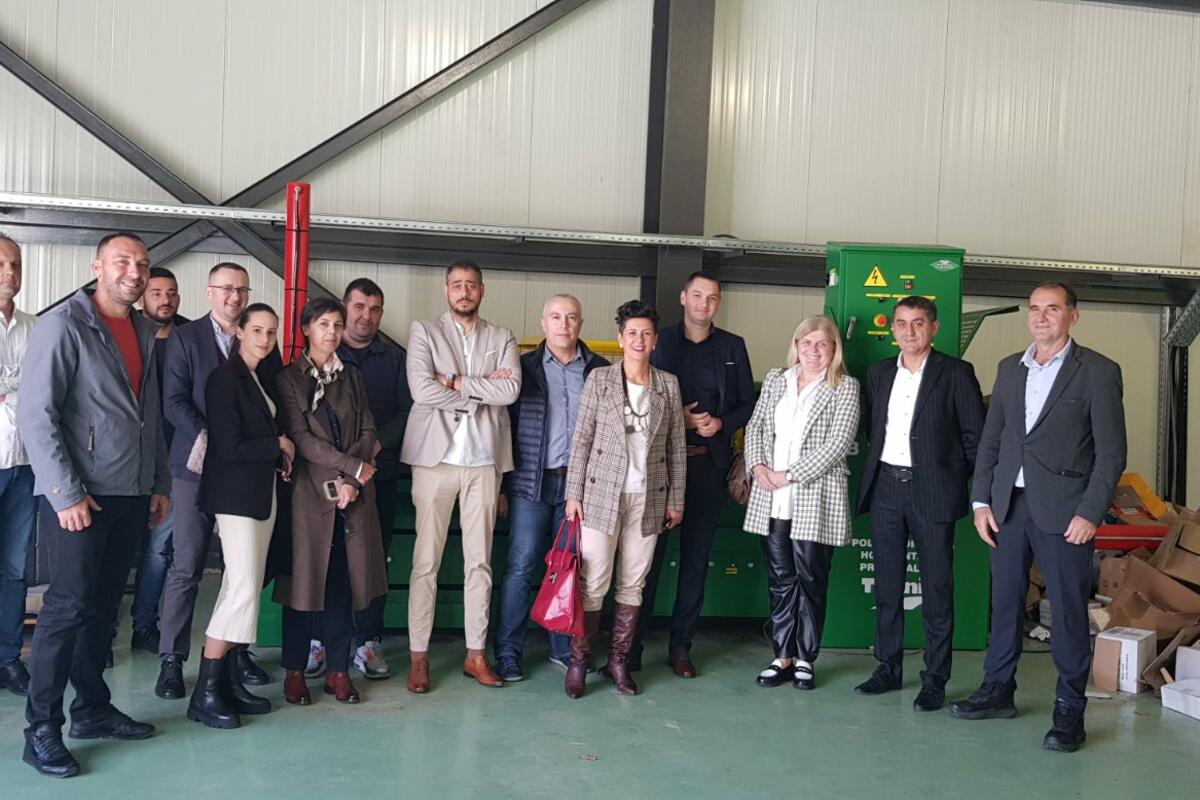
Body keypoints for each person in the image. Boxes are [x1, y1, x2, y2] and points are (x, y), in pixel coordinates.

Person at [17, 232, 170, 778]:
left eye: (142, 264)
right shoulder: (64, 325)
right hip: (80, 497)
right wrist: (65, 493)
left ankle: (91, 709)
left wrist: (158, 482)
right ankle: (40, 730)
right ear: (97, 267)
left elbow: (149, 415)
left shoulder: (145, 331)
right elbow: (37, 414)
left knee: (105, 609)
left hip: (129, 492)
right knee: (66, 610)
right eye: (122, 261)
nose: (134, 271)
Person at [950, 283, 1126, 754]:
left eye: (1052, 308)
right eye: (1034, 309)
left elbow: (1111, 453)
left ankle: (1069, 709)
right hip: (1007, 507)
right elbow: (992, 440)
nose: (1041, 316)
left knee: (1067, 612)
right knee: (1005, 603)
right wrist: (981, 501)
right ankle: (997, 690)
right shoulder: (1011, 368)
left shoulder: (1098, 372)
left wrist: (1090, 512)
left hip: (1067, 510)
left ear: (1073, 316)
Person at [854, 296, 984, 711]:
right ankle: (888, 667)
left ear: (934, 327)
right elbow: (875, 429)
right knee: (887, 586)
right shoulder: (878, 374)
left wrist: (948, 478)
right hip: (886, 488)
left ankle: (935, 678)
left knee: (937, 588)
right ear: (892, 328)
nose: (909, 331)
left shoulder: (956, 373)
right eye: (902, 323)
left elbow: (975, 439)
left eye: (918, 323)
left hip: (932, 492)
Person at [156, 262, 280, 699]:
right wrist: (215, 439)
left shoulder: (261, 340)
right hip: (195, 465)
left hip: (244, 473)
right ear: (209, 291)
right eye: (226, 288)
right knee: (187, 563)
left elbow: (271, 401)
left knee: (241, 568)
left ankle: (234, 654)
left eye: (242, 289)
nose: (234, 296)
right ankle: (172, 660)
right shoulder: (185, 338)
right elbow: (173, 401)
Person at [400, 260, 520, 693]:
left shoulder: (502, 336)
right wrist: (478, 392)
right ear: (446, 290)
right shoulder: (424, 331)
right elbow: (421, 389)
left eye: (471, 285)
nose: (464, 291)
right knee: (425, 562)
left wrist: (453, 381)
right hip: (434, 461)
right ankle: (418, 657)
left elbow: (510, 390)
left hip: (484, 462)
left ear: (481, 290)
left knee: (480, 564)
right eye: (456, 285)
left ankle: (475, 655)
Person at [562, 299, 686, 699]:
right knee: (593, 581)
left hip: (648, 497)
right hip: (601, 493)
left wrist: (676, 500)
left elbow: (676, 447)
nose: (639, 340)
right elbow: (581, 439)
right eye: (632, 333)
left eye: (646, 333)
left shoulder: (668, 384)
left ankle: (619, 661)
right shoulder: (600, 379)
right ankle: (579, 662)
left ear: (655, 340)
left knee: (633, 583)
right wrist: (573, 493)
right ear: (620, 338)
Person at [636, 271, 754, 677]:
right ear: (684, 298)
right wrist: (679, 419)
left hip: (707, 465)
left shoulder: (733, 346)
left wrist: (721, 424)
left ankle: (681, 646)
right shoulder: (660, 341)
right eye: (698, 295)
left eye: (713, 297)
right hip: (661, 467)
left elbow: (747, 403)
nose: (705, 303)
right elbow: (640, 394)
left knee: (695, 561)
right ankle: (631, 647)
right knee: (646, 560)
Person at [275, 298, 388, 706]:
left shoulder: (351, 376)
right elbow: (302, 439)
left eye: (338, 325)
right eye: (324, 324)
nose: (332, 332)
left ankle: (339, 671)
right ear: (306, 328)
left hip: (352, 497)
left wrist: (353, 480)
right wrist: (351, 468)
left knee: (342, 583)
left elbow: (368, 429)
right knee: (301, 586)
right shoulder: (289, 379)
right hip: (308, 497)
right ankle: (294, 671)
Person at [187, 304, 293, 728]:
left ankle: (227, 684)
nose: (265, 339)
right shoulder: (224, 378)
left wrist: (279, 453)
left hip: (261, 494)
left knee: (239, 585)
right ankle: (205, 692)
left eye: (271, 332)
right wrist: (278, 445)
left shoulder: (258, 378)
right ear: (240, 333)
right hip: (236, 499)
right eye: (257, 331)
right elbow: (228, 446)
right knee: (243, 589)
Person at [494, 294, 608, 682]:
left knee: (569, 567)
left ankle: (562, 648)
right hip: (531, 483)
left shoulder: (599, 371)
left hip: (580, 489)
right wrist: (502, 486)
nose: (564, 324)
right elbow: (505, 428)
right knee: (521, 567)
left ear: (581, 323)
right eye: (556, 317)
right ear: (543, 323)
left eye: (571, 317)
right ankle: (508, 652)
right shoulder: (522, 368)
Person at [742, 315, 859, 691]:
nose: (813, 351)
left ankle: (806, 659)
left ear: (834, 349)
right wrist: (758, 466)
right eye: (806, 343)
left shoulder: (844, 387)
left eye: (822, 344)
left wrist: (788, 475)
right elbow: (757, 426)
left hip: (814, 496)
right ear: (796, 345)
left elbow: (838, 443)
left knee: (811, 581)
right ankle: (782, 657)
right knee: (780, 580)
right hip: (771, 497)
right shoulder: (777, 380)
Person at [320, 277, 412, 682]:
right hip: (327, 477)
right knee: (326, 558)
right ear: (345, 308)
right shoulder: (324, 352)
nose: (366, 316)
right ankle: (321, 640)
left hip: (379, 474)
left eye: (374, 310)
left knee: (374, 561)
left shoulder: (395, 359)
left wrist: (372, 450)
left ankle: (368, 642)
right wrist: (341, 462)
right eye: (359, 307)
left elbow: (407, 413)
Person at [126, 267, 189, 654]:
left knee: (159, 549)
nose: (165, 299)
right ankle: (105, 634)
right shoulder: (129, 335)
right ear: (142, 298)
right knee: (119, 552)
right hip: (130, 461)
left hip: (176, 463)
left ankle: (145, 626)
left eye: (171, 293)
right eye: (156, 293)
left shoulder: (190, 337)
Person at [0, 232, 37, 697]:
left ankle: (8, 659)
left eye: (15, 265)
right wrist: (20, 387)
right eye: (1, 264)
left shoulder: (36, 328)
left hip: (27, 464)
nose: (9, 273)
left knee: (14, 569)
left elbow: (46, 389)